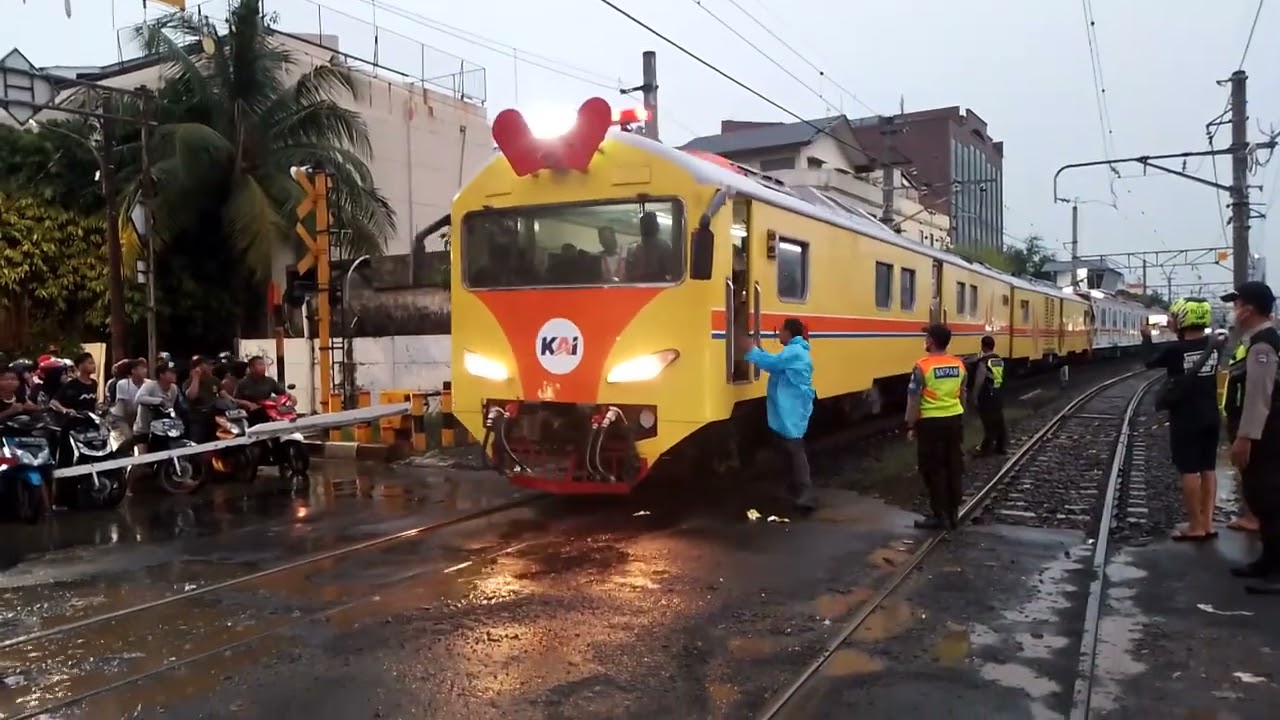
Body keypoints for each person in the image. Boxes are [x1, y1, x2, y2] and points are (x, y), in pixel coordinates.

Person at [1142, 297, 1222, 541]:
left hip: (1187, 418)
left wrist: (1146, 336)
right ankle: (1208, 524)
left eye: (1174, 316)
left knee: (1189, 471)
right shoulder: (1215, 345)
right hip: (1211, 414)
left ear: (1183, 318)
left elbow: (1149, 361)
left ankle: (1195, 526)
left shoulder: (1175, 350)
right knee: (1208, 469)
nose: (1171, 320)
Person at [1220, 281, 1280, 593]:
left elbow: (1258, 398)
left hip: (1265, 438)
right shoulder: (1259, 341)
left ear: (1249, 309)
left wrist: (1245, 438)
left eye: (1236, 304)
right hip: (1264, 436)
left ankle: (1276, 570)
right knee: (1262, 499)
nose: (1233, 311)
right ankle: (1267, 562)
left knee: (1270, 501)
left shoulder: (1262, 346)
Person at [734, 318, 817, 512]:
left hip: (793, 407)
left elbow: (773, 364)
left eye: (780, 330)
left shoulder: (794, 352)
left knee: (794, 447)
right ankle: (794, 486)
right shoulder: (795, 351)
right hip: (791, 406)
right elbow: (776, 362)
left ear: (788, 333)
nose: (778, 334)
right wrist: (756, 350)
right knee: (788, 446)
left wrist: (751, 350)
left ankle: (805, 490)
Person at [907, 324, 967, 530]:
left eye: (926, 336)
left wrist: (911, 424)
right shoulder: (959, 364)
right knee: (953, 466)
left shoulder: (922, 367)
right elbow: (962, 393)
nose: (925, 340)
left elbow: (913, 399)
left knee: (933, 469)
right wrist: (960, 415)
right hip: (954, 420)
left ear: (932, 341)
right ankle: (953, 514)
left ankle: (939, 515)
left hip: (931, 423)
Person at [131, 362, 192, 492]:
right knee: (142, 460)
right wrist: (158, 401)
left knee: (172, 450)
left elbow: (173, 406)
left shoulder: (174, 388)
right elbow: (138, 399)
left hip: (165, 429)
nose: (174, 374)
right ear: (161, 375)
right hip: (144, 429)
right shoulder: (149, 386)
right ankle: (130, 486)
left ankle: (174, 479)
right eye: (171, 372)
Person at [1222, 338, 1261, 533]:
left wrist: (1245, 432)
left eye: (1238, 305)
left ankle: (1253, 518)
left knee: (1251, 470)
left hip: (1246, 419)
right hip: (1243, 417)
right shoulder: (1253, 344)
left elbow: (1257, 392)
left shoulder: (1260, 346)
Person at [968, 335, 1007, 456]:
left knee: (988, 423)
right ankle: (1000, 447)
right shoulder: (999, 359)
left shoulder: (983, 362)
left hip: (986, 396)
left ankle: (984, 449)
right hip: (997, 393)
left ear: (983, 346)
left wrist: (973, 397)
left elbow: (979, 381)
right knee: (999, 422)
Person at [233, 356, 294, 421]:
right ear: (251, 368)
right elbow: (235, 400)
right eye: (260, 364)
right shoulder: (243, 383)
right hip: (249, 415)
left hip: (267, 414)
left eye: (263, 365)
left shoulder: (270, 381)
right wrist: (247, 404)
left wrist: (290, 397)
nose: (263, 367)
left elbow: (283, 393)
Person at [184, 355, 226, 444]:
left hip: (213, 416)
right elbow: (192, 395)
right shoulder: (188, 382)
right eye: (208, 365)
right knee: (197, 443)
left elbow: (224, 395)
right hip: (197, 417)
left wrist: (234, 402)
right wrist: (196, 377)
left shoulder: (214, 380)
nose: (211, 367)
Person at [108, 358, 148, 448]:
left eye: (145, 368)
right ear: (133, 371)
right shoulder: (123, 384)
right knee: (128, 437)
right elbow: (127, 408)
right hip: (120, 417)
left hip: (139, 418)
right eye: (141, 368)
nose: (144, 371)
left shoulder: (148, 384)